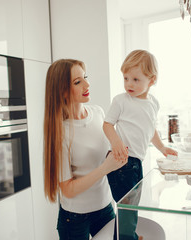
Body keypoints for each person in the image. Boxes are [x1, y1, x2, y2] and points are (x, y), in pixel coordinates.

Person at [43, 59, 127, 240]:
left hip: (105, 208)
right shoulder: (61, 132)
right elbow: (68, 190)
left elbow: (109, 151)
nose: (87, 84)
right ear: (62, 91)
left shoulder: (98, 113)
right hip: (74, 219)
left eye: (85, 77)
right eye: (77, 82)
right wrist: (106, 168)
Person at [103, 50, 178, 240]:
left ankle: (129, 235)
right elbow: (107, 124)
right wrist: (116, 141)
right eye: (126, 78)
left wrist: (162, 147)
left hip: (136, 162)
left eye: (136, 79)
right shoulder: (121, 101)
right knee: (127, 208)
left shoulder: (153, 103)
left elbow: (150, 128)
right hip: (121, 162)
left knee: (131, 206)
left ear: (151, 80)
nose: (129, 84)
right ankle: (128, 237)